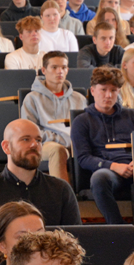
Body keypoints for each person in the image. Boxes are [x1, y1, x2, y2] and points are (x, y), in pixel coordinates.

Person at [0, 119, 80, 228]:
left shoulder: (61, 190)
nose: (34, 145)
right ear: (6, 147)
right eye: (26, 139)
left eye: (39, 140)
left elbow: (74, 242)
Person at [71, 66, 134, 224]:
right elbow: (84, 158)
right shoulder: (82, 121)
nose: (108, 95)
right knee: (100, 178)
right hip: (109, 171)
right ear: (92, 91)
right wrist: (114, 166)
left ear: (119, 92)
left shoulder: (133, 116)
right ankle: (118, 227)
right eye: (103, 89)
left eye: (113, 90)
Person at [21, 51, 81, 185]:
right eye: (54, 67)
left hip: (74, 143)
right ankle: (63, 198)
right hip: (43, 145)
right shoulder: (32, 99)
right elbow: (30, 134)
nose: (59, 71)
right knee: (57, 150)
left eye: (63, 67)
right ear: (44, 70)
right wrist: (62, 139)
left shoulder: (79, 98)